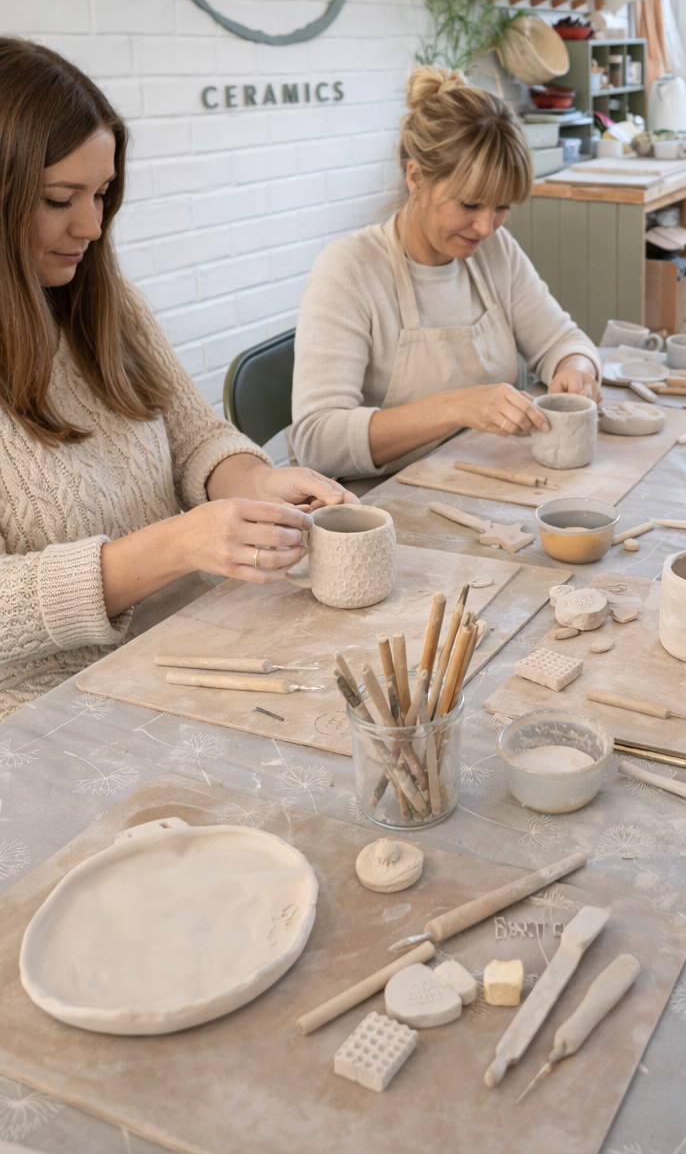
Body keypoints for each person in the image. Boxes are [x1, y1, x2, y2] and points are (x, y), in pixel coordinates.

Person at [0, 39, 356, 721]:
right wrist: (172, 544)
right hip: (45, 714)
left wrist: (254, 482)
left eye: (102, 194)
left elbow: (194, 437)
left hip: (182, 646)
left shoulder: (102, 300)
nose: (92, 226)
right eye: (58, 199)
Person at [291, 67, 601, 481]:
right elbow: (317, 441)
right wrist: (454, 407)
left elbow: (561, 341)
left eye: (502, 207)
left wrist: (577, 370)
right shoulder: (349, 270)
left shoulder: (494, 252)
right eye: (470, 205)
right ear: (416, 177)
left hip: (479, 482)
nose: (486, 228)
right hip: (382, 509)